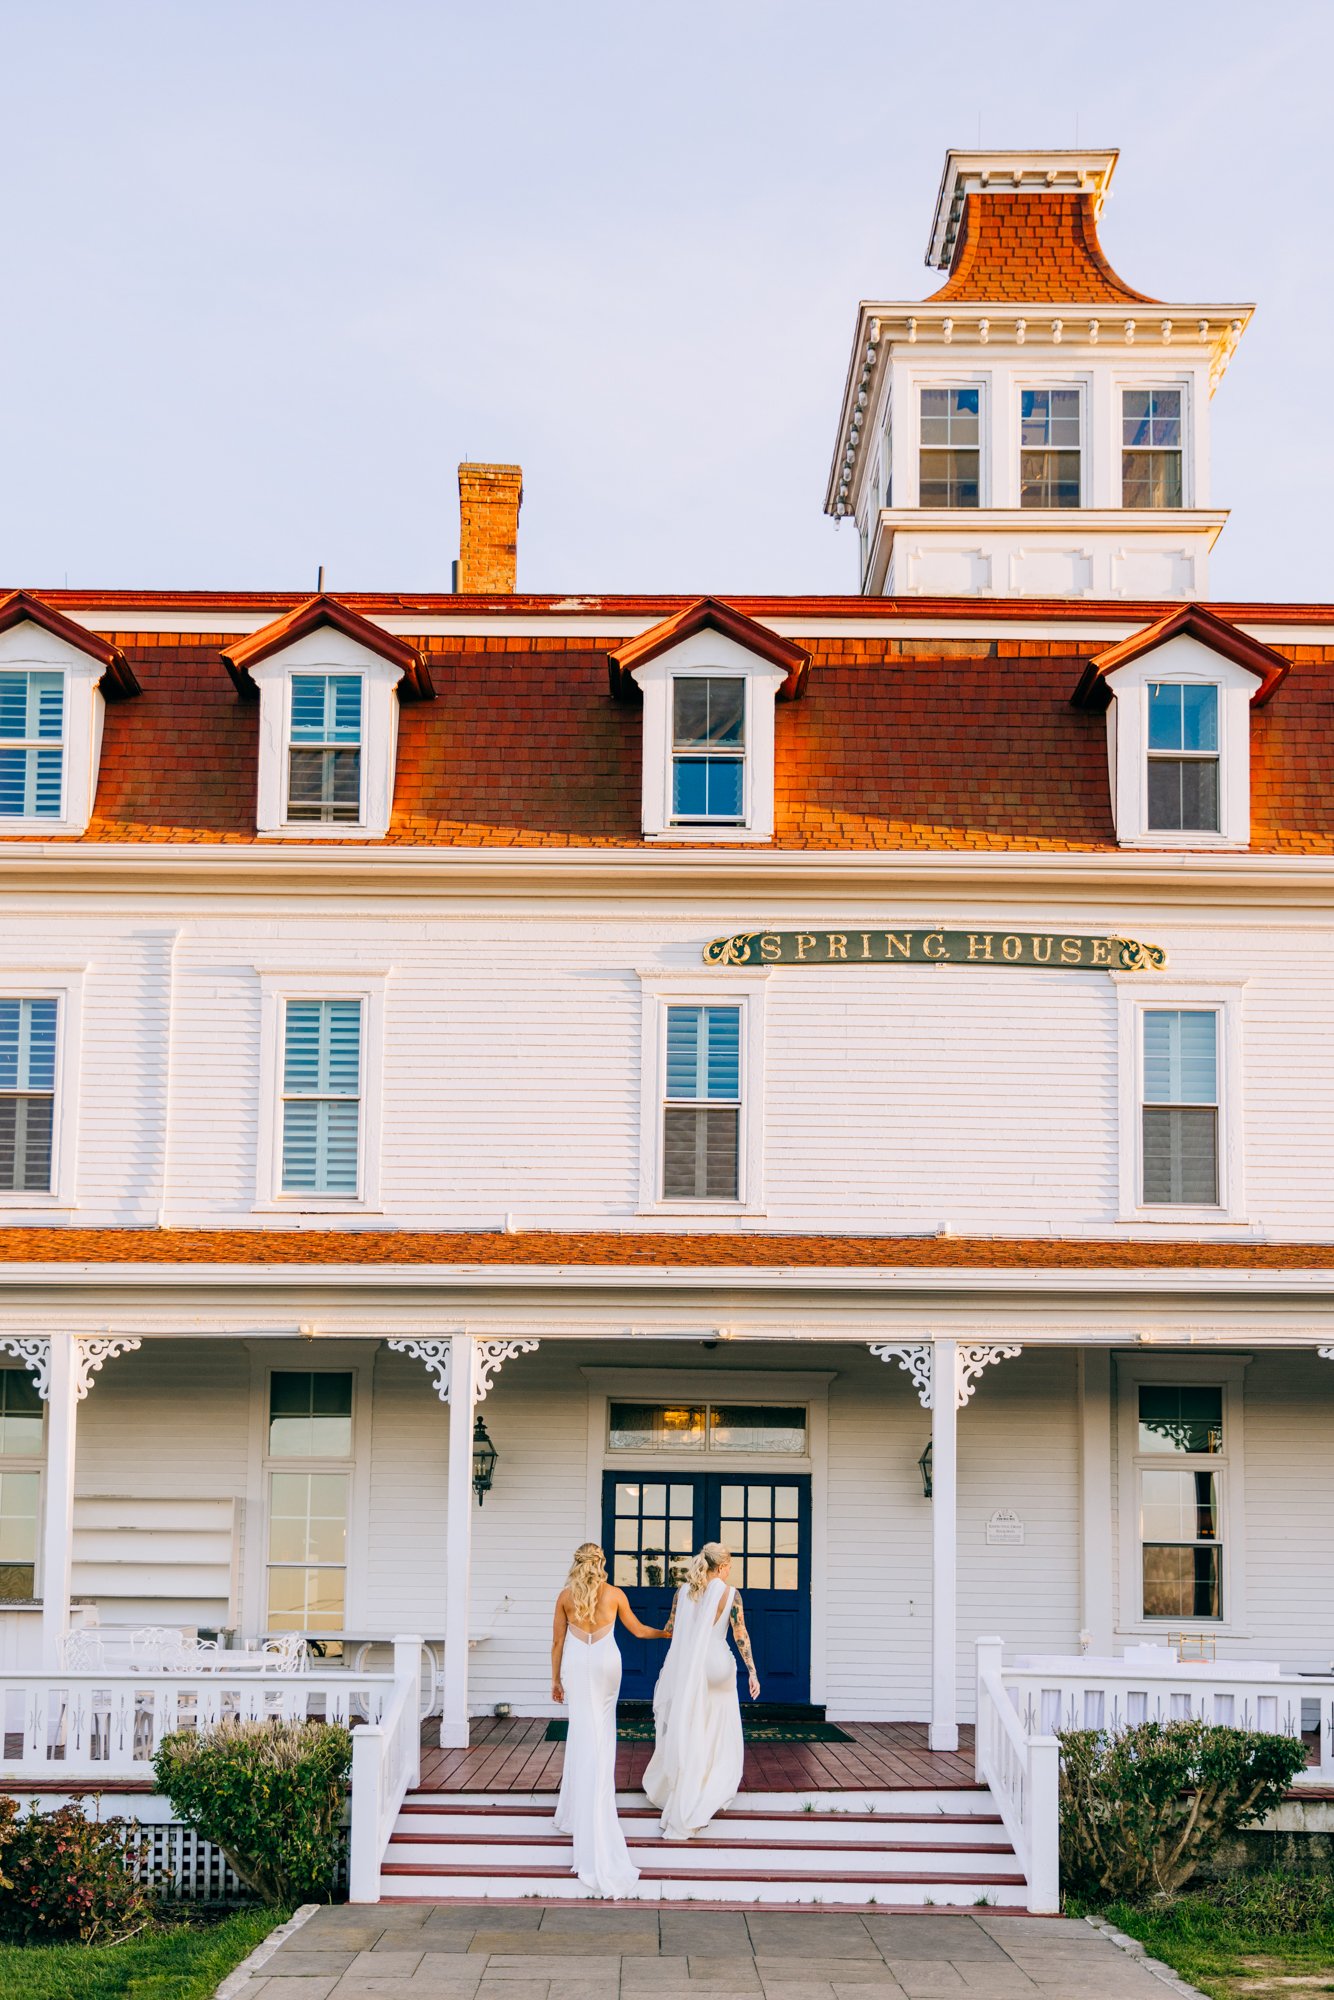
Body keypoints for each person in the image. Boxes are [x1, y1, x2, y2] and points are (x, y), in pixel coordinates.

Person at [550, 1542, 668, 1897]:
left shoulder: (565, 1596)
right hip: (605, 1664)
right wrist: (666, 1632)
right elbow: (638, 1631)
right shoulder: (614, 1594)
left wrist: (554, 1680)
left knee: (582, 1731)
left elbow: (557, 1642)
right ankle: (596, 1796)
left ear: (576, 1564)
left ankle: (576, 1808)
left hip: (576, 1662)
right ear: (601, 1564)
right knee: (601, 1730)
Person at [643, 1542, 760, 1841]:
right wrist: (752, 1671)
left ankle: (686, 1786)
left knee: (693, 1724)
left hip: (689, 1668)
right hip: (718, 1665)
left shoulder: (682, 1592)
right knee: (717, 1728)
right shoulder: (729, 1593)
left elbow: (670, 1628)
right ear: (721, 1567)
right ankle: (711, 1782)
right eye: (729, 1566)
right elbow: (740, 1633)